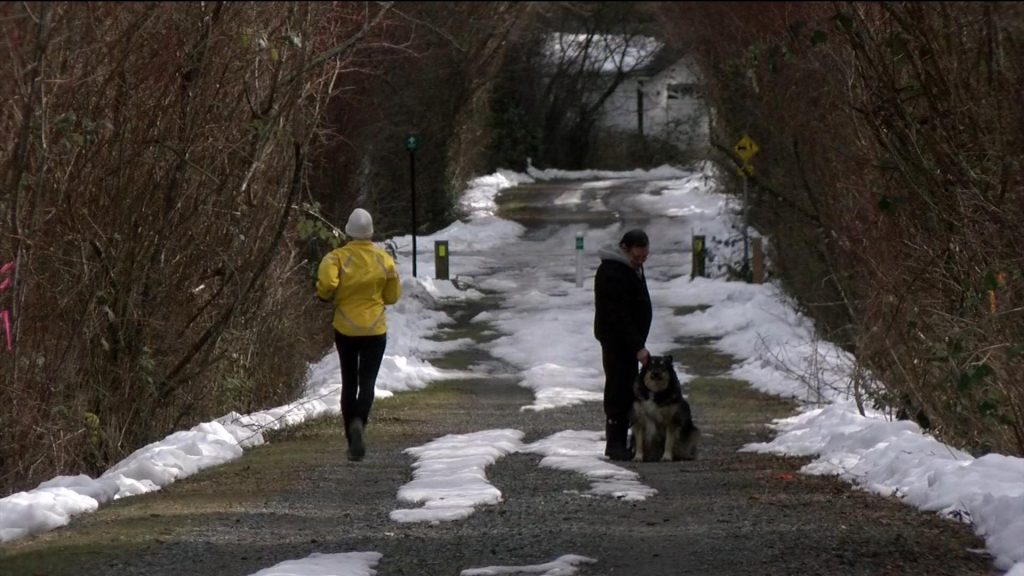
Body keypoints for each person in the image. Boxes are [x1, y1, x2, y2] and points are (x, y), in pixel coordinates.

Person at [316, 208, 401, 461]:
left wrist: (324, 294)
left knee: (349, 382)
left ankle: (350, 434)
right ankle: (360, 425)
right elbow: (393, 296)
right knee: (367, 383)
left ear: (348, 231)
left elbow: (327, 285)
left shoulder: (336, 258)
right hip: (375, 329)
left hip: (345, 328)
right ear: (371, 231)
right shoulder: (384, 259)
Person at [593, 228, 652, 461]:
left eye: (644, 258)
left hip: (629, 340)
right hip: (617, 340)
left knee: (628, 388)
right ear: (624, 248)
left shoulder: (631, 268)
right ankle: (615, 442)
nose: (640, 262)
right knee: (618, 389)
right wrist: (637, 345)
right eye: (637, 257)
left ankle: (625, 440)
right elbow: (617, 315)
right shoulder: (611, 271)